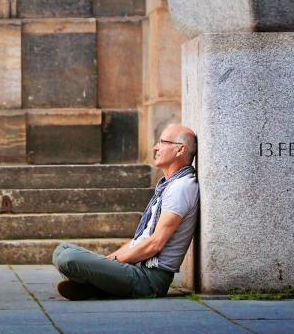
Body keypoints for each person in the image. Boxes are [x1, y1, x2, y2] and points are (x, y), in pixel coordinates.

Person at [51, 124, 199, 300]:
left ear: (180, 150)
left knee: (68, 258)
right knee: (61, 250)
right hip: (138, 268)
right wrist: (105, 266)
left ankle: (100, 286)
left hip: (150, 279)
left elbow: (155, 244)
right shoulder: (169, 186)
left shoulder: (181, 187)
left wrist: (108, 265)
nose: (155, 147)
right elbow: (139, 241)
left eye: (162, 142)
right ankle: (103, 285)